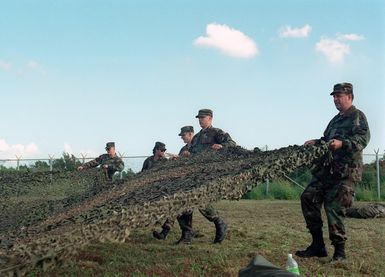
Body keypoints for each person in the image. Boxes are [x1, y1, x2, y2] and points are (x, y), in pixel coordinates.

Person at [295, 83, 370, 261]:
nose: (335, 99)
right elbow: (327, 139)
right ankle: (318, 245)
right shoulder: (335, 120)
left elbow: (362, 139)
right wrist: (317, 141)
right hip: (327, 170)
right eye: (334, 96)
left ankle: (339, 252)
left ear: (349, 97)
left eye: (339, 96)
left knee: (334, 208)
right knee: (308, 197)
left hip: (345, 173)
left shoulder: (357, 116)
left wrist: (342, 143)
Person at [180, 109, 236, 244]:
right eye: (199, 118)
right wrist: (188, 154)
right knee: (183, 201)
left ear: (210, 118)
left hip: (208, 173)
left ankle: (219, 223)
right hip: (194, 173)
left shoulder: (217, 132)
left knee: (200, 202)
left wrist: (222, 146)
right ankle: (186, 235)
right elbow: (192, 151)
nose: (200, 120)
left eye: (202, 118)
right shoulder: (197, 137)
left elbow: (232, 144)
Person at [153, 126, 195, 242]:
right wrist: (176, 159)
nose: (182, 138)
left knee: (186, 208)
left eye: (183, 135)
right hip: (183, 182)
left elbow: (202, 161)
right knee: (177, 206)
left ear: (190, 134)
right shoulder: (183, 149)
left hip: (194, 182)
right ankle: (168, 233)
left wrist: (190, 157)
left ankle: (218, 224)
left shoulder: (198, 147)